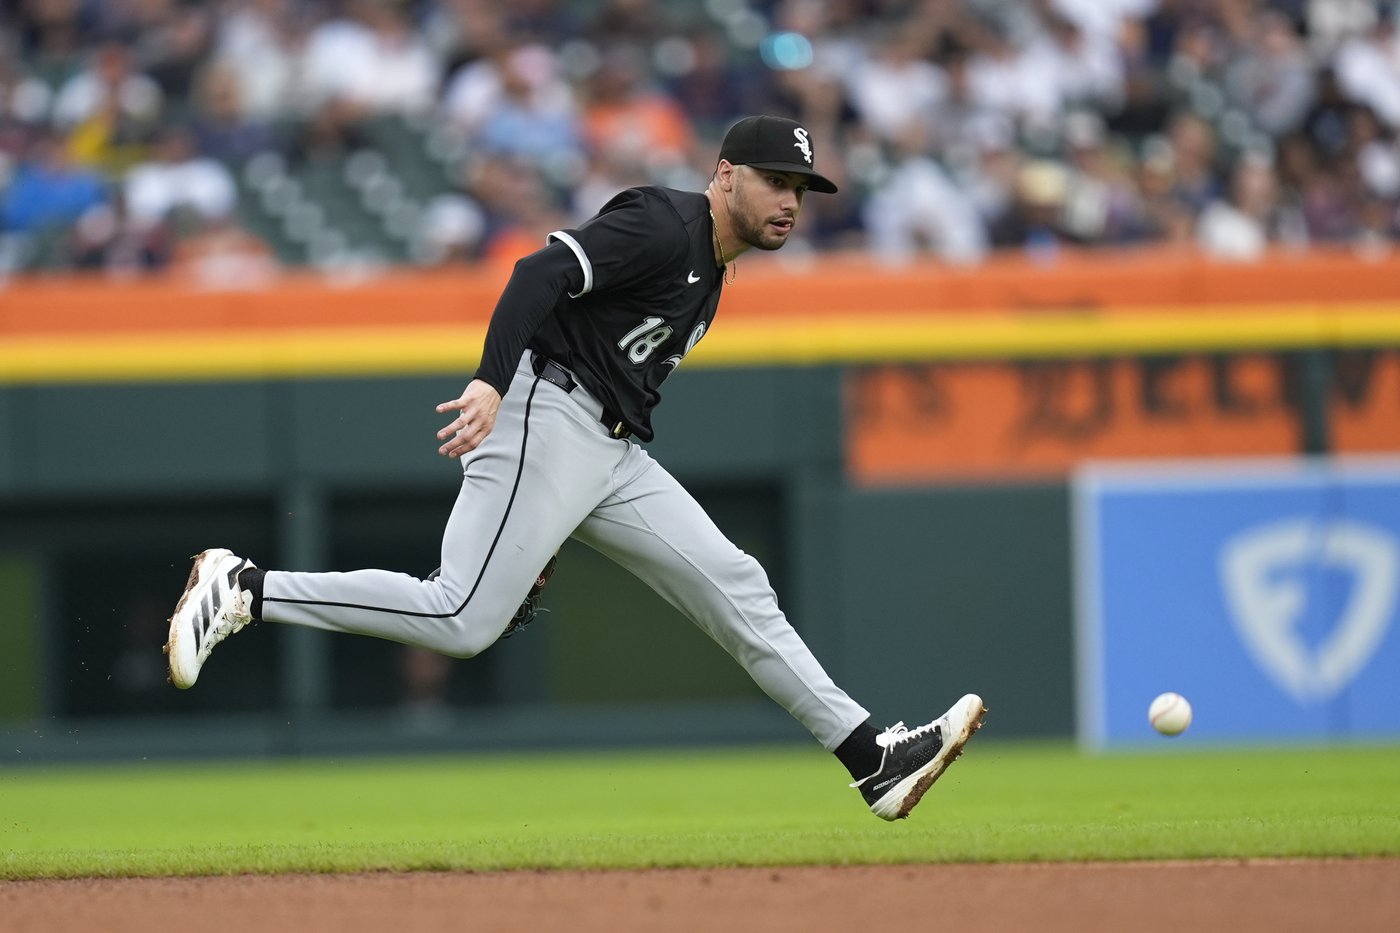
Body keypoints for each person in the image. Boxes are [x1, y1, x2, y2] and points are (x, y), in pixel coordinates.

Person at [163, 115, 986, 821]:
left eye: (800, 189)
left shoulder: (713, 269)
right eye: (775, 180)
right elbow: (540, 271)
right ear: (726, 173)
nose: (789, 201)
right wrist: (491, 381)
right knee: (461, 617)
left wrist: (551, 517)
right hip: (546, 410)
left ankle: (871, 758)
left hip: (610, 451)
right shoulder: (664, 223)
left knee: (737, 584)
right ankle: (244, 587)